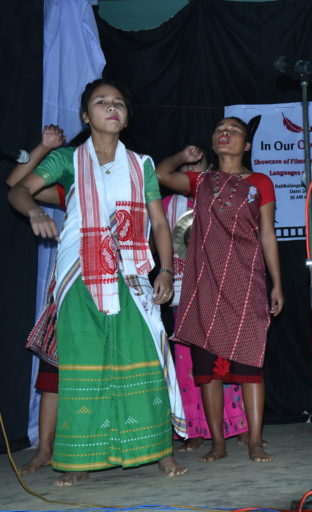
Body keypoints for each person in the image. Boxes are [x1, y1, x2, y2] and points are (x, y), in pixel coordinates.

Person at [8, 79, 187, 485]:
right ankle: (79, 461)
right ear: (86, 116)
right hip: (79, 275)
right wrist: (35, 212)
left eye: (119, 102)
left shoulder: (141, 164)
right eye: (101, 102)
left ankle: (159, 451)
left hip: (132, 276)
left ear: (126, 117)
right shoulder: (68, 159)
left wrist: (166, 270)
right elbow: (18, 190)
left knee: (143, 359)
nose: (111, 107)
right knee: (84, 365)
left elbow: (159, 222)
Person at [159, 117, 284, 463]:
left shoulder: (260, 182)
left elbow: (267, 235)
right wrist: (182, 156)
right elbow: (161, 175)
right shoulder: (202, 181)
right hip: (205, 286)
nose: (224, 134)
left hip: (246, 284)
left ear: (247, 145)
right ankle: (218, 444)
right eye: (219, 130)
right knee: (206, 371)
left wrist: (277, 284)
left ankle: (255, 441)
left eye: (233, 131)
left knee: (250, 366)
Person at [157, 144, 249, 452]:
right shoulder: (166, 205)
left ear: (210, 172)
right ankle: (193, 428)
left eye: (198, 168)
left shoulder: (222, 200)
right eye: (185, 169)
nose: (191, 173)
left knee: (226, 362)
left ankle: (238, 425)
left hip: (220, 291)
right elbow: (157, 243)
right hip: (183, 295)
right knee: (188, 367)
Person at [6, 124, 67, 475]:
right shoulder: (73, 186)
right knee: (53, 369)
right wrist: (43, 148)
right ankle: (44, 449)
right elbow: (16, 184)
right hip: (73, 282)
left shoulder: (128, 176)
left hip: (116, 283)